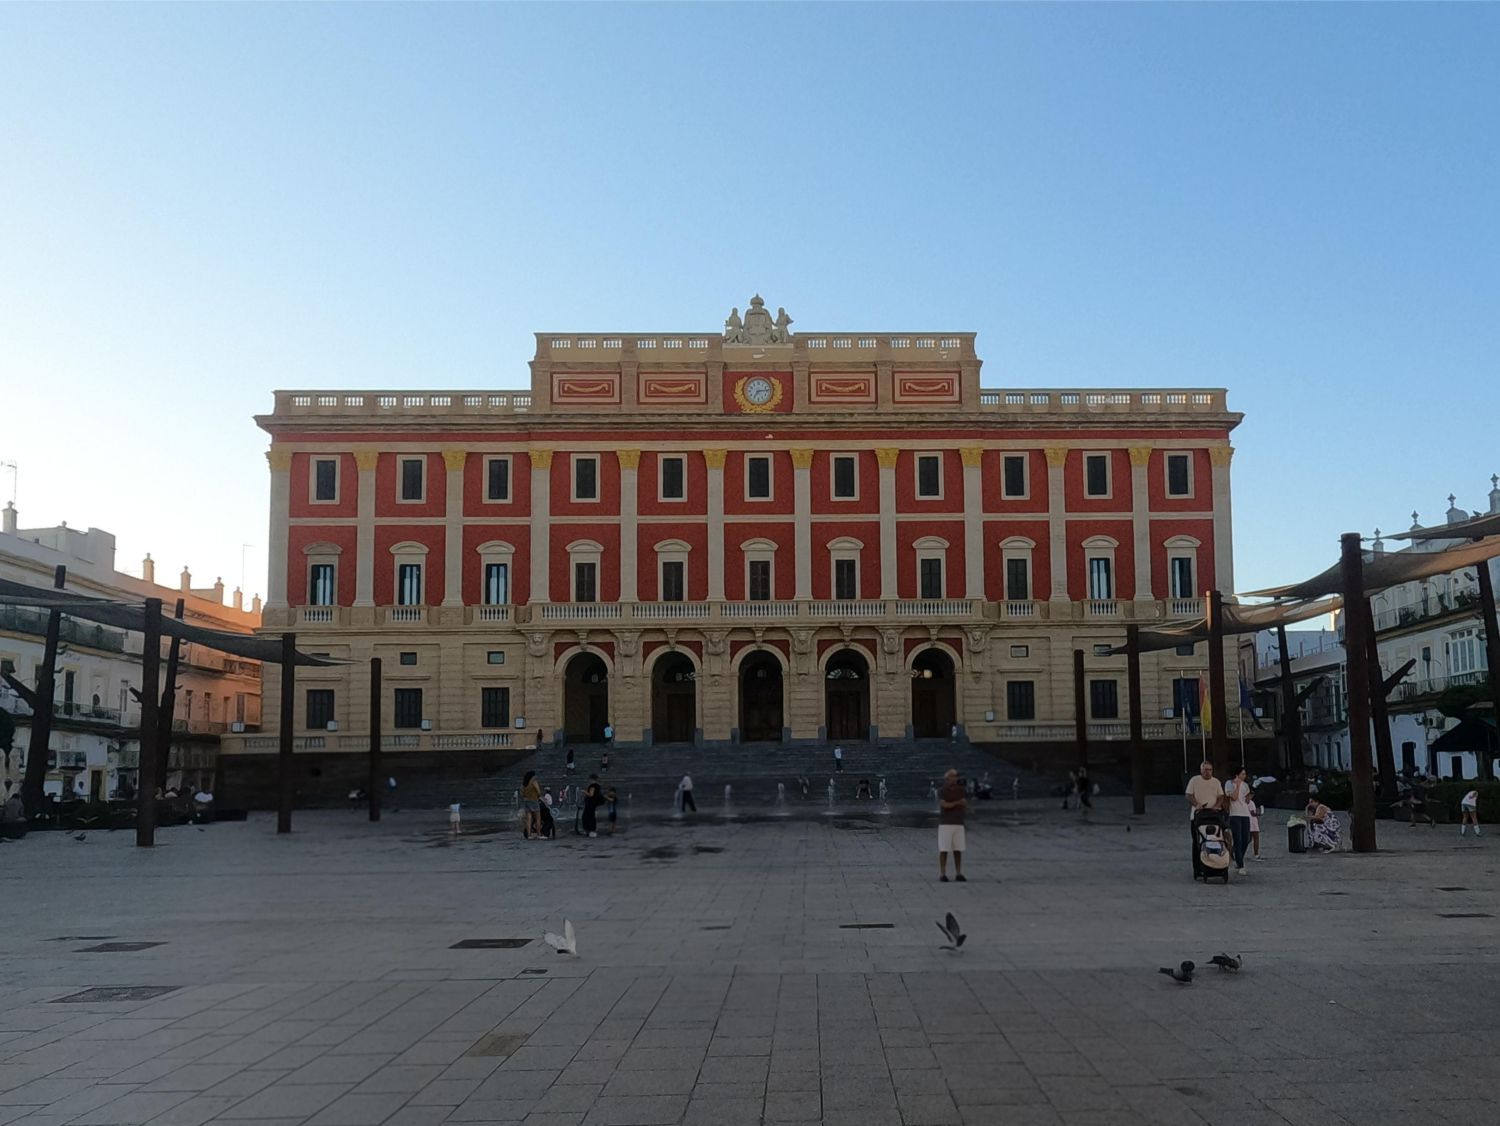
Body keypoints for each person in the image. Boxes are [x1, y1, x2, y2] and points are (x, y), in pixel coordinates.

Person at [1186, 760, 1225, 858]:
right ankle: (1197, 866)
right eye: (1206, 770)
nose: (1208, 772)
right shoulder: (1194, 780)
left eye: (1210, 770)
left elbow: (1221, 796)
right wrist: (1196, 804)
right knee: (1197, 841)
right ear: (1201, 770)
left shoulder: (1216, 781)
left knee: (1215, 839)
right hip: (1198, 815)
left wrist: (1217, 806)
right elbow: (1189, 794)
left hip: (1213, 815)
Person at [938, 768, 967, 882]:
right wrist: (957, 803)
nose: (955, 779)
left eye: (955, 776)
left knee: (958, 849)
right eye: (952, 776)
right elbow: (944, 805)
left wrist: (955, 804)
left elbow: (964, 803)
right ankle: (942, 873)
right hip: (946, 823)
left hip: (958, 822)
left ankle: (958, 872)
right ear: (947, 778)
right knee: (944, 849)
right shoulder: (942, 790)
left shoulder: (961, 790)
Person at [1225, 767, 1253, 873]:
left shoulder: (1245, 785)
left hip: (1245, 813)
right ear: (1237, 775)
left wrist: (1250, 795)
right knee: (1238, 839)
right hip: (1235, 814)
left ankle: (1237, 856)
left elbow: (1246, 800)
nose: (1244, 776)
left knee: (1246, 839)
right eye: (1242, 774)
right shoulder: (1229, 783)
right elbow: (1234, 797)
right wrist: (1237, 785)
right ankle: (1240, 865)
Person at [521, 770, 542, 839]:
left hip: (526, 801)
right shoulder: (533, 781)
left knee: (529, 818)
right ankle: (539, 834)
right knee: (538, 818)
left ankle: (529, 835)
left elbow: (522, 793)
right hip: (533, 800)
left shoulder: (525, 783)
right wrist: (538, 796)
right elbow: (538, 791)